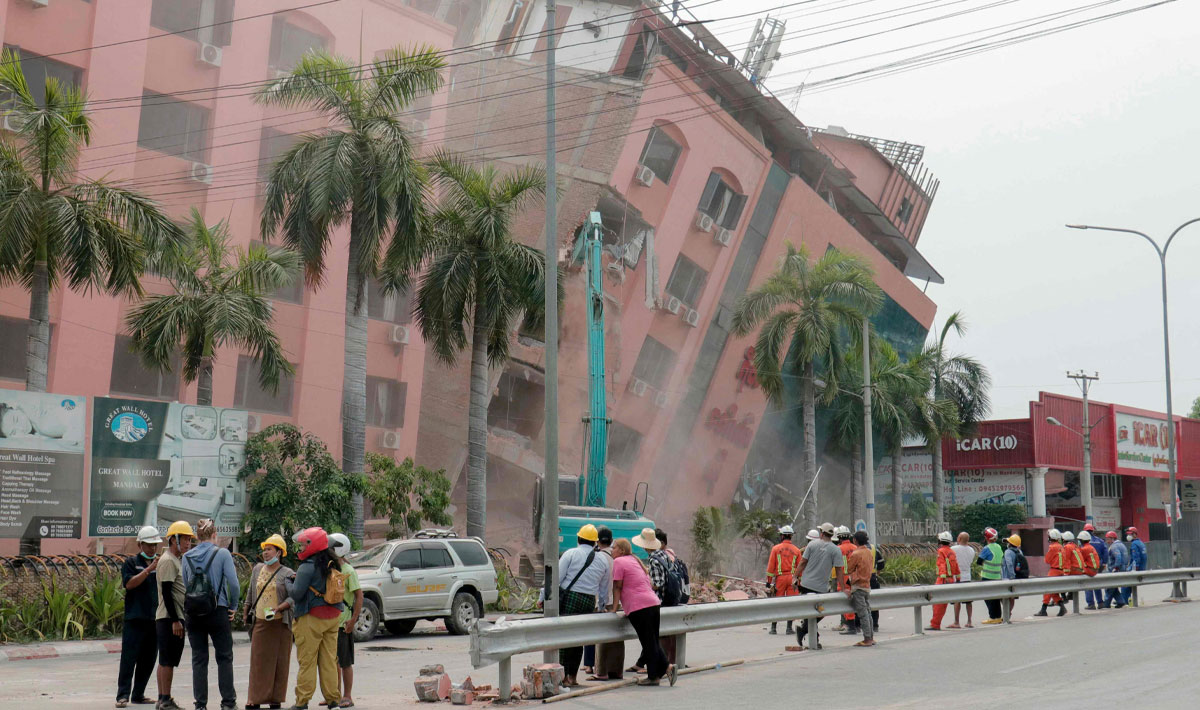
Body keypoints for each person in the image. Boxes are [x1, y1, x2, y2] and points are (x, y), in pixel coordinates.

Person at [272, 527, 344, 710]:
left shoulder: (306, 566)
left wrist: (289, 582)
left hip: (311, 618)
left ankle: (302, 701)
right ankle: (333, 699)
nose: (300, 548)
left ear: (312, 546)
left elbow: (296, 594)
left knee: (307, 661)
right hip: (333, 617)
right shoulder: (333, 563)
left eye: (303, 545)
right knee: (329, 660)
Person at [182, 518, 240, 710]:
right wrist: (233, 606)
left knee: (199, 659)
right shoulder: (222, 554)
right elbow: (233, 584)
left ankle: (200, 704)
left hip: (194, 612)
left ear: (197, 537)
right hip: (218, 611)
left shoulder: (187, 557)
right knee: (224, 656)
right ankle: (228, 703)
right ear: (215, 534)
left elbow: (185, 583)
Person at [547, 524, 610, 687]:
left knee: (564, 638)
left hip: (571, 598)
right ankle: (573, 677)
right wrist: (602, 606)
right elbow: (604, 589)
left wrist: (544, 597)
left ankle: (563, 677)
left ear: (578, 539)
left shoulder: (570, 554)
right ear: (594, 542)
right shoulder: (602, 560)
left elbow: (557, 579)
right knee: (578, 639)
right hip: (589, 601)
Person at [610, 538, 676, 687]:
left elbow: (617, 586)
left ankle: (655, 675)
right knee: (652, 640)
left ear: (621, 550)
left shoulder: (619, 562)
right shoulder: (635, 560)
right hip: (653, 603)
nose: (612, 550)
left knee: (648, 642)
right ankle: (663, 669)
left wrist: (614, 609)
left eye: (614, 548)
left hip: (639, 605)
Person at [244, 534, 296, 710]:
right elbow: (251, 593)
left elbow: (294, 597)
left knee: (280, 663)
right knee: (258, 663)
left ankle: (275, 699)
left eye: (269, 549)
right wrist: (245, 611)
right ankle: (254, 699)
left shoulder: (288, 573)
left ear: (279, 552)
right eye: (264, 549)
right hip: (261, 622)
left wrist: (280, 608)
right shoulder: (258, 569)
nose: (265, 553)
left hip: (280, 624)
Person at [117, 525, 163, 708]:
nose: (153, 548)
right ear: (140, 545)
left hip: (154, 619)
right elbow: (129, 584)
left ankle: (139, 694)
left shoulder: (160, 564)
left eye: (155, 545)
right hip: (135, 619)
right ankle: (122, 695)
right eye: (149, 545)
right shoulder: (131, 563)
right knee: (129, 658)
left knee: (149, 658)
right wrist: (148, 569)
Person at [155, 521, 196, 710]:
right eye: (185, 539)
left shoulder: (175, 559)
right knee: (167, 660)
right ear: (174, 539)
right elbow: (166, 592)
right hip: (168, 618)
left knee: (166, 659)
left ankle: (162, 699)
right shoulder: (168, 560)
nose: (188, 543)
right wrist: (175, 620)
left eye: (189, 539)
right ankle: (165, 699)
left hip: (173, 616)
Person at [793, 523, 847, 649]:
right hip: (821, 588)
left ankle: (804, 630)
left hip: (806, 584)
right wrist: (843, 588)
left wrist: (795, 577)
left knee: (813, 612)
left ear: (822, 533)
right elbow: (839, 570)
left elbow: (802, 562)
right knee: (821, 611)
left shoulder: (812, 544)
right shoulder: (836, 549)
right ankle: (813, 638)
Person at [328, 533, 362, 708]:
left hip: (343, 624)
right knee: (331, 663)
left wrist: (353, 620)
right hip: (330, 624)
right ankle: (334, 695)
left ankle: (347, 695)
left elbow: (359, 595)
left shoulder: (349, 571)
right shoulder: (331, 569)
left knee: (345, 662)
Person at [586, 527, 621, 681]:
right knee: (614, 637)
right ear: (611, 541)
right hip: (615, 601)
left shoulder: (596, 557)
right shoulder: (618, 558)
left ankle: (593, 666)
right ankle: (615, 669)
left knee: (595, 635)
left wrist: (600, 604)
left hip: (601, 601)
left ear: (597, 541)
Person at [765, 525, 801, 635]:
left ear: (782, 536)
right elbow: (800, 567)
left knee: (777, 602)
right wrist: (799, 581)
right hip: (792, 579)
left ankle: (773, 627)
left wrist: (769, 581)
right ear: (791, 536)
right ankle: (789, 628)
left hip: (780, 579)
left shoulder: (776, 549)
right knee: (791, 603)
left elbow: (771, 566)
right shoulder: (796, 550)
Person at [843, 531, 876, 647]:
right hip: (867, 585)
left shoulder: (856, 554)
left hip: (858, 586)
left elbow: (848, 569)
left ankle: (867, 638)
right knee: (868, 612)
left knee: (863, 614)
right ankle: (871, 636)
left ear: (855, 540)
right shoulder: (868, 552)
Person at [926, 531, 960, 631]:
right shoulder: (952, 552)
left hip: (943, 579)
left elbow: (941, 564)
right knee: (942, 604)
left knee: (937, 604)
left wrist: (943, 578)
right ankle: (936, 623)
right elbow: (956, 565)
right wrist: (958, 578)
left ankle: (935, 624)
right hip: (951, 579)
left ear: (940, 541)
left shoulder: (941, 551)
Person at [1035, 529, 1068, 617]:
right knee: (1053, 591)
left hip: (1054, 570)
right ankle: (1062, 607)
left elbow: (1047, 560)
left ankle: (1043, 609)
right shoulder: (1061, 547)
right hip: (1061, 570)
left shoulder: (1052, 547)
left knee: (1047, 590)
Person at [977, 527, 1004, 625]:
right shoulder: (998, 547)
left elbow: (979, 562)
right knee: (996, 597)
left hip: (987, 577)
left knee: (988, 598)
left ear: (986, 538)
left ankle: (992, 617)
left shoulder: (987, 548)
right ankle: (998, 617)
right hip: (997, 576)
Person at [949, 532, 976, 629]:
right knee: (968, 601)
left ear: (959, 538)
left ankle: (956, 622)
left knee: (957, 600)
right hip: (967, 577)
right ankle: (969, 621)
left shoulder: (953, 549)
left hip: (957, 577)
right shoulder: (972, 550)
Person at [835, 526, 858, 633]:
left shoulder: (838, 549)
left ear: (839, 537)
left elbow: (837, 566)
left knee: (846, 602)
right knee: (856, 600)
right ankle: (856, 625)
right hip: (855, 576)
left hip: (844, 577)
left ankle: (850, 626)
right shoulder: (855, 547)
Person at [1082, 524, 1107, 609]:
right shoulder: (1100, 541)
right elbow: (1105, 551)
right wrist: (1104, 563)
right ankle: (1100, 602)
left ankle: (1091, 604)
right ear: (1092, 531)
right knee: (1097, 583)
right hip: (1099, 564)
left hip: (1088, 565)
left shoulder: (1084, 542)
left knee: (1088, 584)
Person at [1102, 531, 1128, 609]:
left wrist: (1115, 568)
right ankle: (1121, 602)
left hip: (1115, 571)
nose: (1107, 541)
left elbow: (1118, 557)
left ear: (1112, 539)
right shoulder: (1122, 545)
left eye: (1108, 539)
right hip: (1123, 570)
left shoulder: (1114, 546)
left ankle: (1106, 604)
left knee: (1109, 588)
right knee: (1114, 588)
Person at [1122, 527, 1148, 606]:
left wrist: (1133, 569)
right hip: (1142, 568)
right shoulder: (1141, 543)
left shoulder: (1134, 544)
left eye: (1130, 534)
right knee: (1130, 586)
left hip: (1136, 568)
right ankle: (1127, 601)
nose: (1128, 536)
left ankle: (1124, 601)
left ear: (1135, 535)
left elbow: (1136, 559)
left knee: (1125, 585)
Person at [1001, 534, 1024, 616]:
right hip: (1017, 577)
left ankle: (1007, 613)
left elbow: (1009, 564)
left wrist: (1012, 577)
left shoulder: (1007, 552)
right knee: (1012, 597)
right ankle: (1008, 612)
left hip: (1007, 578)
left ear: (1010, 544)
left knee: (1004, 596)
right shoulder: (1020, 552)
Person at [1078, 531, 1102, 610]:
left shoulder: (1084, 549)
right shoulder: (1091, 547)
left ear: (1081, 540)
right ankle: (1100, 602)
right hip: (1095, 570)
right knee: (1096, 586)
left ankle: (1090, 604)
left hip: (1089, 570)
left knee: (1086, 585)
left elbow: (1079, 560)